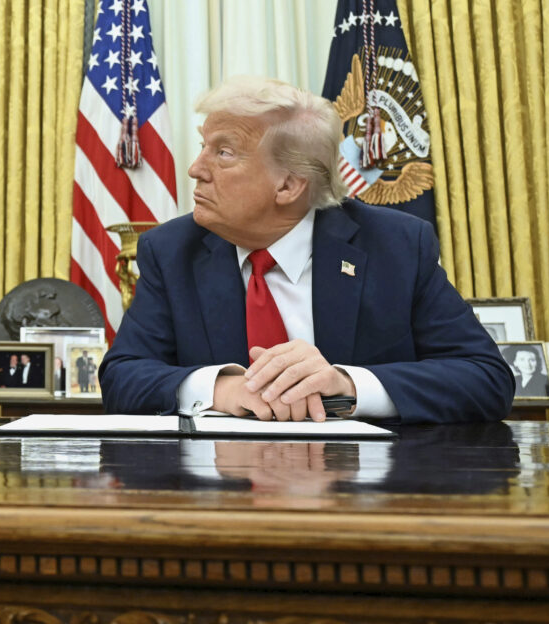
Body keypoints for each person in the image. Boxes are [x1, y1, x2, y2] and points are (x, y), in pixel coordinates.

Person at [99, 76, 514, 424]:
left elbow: (485, 378)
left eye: (223, 152)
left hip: (367, 487)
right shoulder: (172, 251)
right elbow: (122, 377)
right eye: (203, 145)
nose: (195, 169)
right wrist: (220, 388)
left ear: (288, 185)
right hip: (223, 485)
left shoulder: (396, 247)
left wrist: (346, 385)